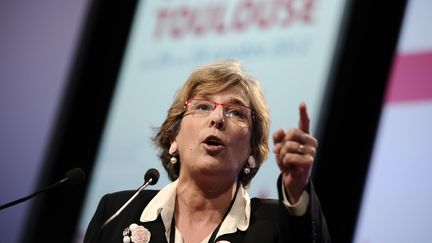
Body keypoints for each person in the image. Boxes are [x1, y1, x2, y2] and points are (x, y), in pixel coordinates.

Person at [84, 59, 331, 243]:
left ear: (252, 153)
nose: (217, 118)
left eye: (236, 112)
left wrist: (297, 188)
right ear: (173, 138)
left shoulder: (277, 225)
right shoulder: (117, 213)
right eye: (202, 106)